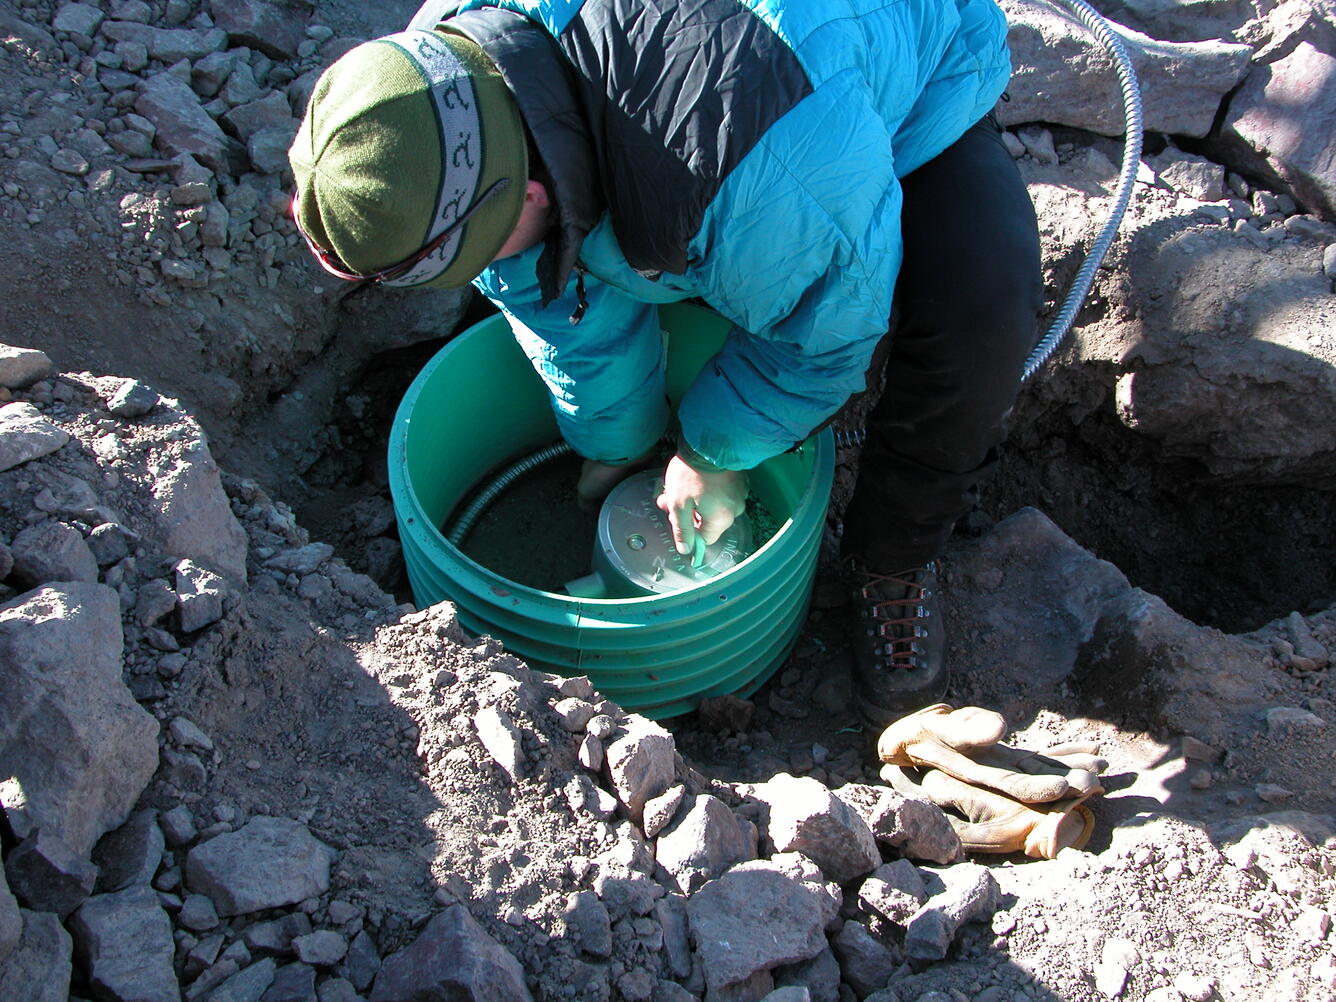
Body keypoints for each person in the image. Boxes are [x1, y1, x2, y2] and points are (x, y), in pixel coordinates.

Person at [288, 0, 1043, 726]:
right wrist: (615, 441)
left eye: (481, 246)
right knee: (689, 262)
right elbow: (549, 286)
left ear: (530, 191)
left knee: (979, 313)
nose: (485, 263)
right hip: (743, 154)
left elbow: (827, 332)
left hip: (889, 88)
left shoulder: (761, 172)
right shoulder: (440, 80)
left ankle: (893, 562)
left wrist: (713, 452)